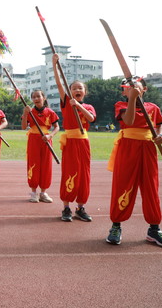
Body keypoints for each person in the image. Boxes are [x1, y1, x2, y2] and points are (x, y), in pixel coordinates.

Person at [105, 78, 162, 247]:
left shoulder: (153, 107)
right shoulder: (121, 105)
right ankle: (116, 226)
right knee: (123, 185)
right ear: (124, 92)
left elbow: (159, 125)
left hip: (148, 148)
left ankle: (154, 229)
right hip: (128, 148)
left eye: (136, 87)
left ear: (145, 90)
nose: (133, 88)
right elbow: (128, 121)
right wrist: (133, 99)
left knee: (151, 186)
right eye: (129, 88)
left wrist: (161, 135)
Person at [52, 54, 96, 222]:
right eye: (74, 88)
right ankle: (66, 208)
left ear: (85, 92)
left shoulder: (88, 106)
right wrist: (54, 65)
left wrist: (78, 106)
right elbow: (58, 83)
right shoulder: (66, 102)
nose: (77, 90)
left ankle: (81, 207)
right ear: (70, 92)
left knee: (84, 174)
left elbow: (91, 119)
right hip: (70, 143)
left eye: (80, 88)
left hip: (84, 142)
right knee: (69, 172)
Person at [21, 89, 59, 203]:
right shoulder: (30, 111)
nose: (36, 99)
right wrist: (25, 113)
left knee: (46, 165)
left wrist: (50, 135)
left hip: (46, 140)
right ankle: (33, 192)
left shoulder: (50, 112)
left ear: (44, 98)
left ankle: (43, 192)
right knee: (33, 163)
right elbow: (23, 127)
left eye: (38, 96)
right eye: (34, 97)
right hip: (33, 140)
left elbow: (57, 127)